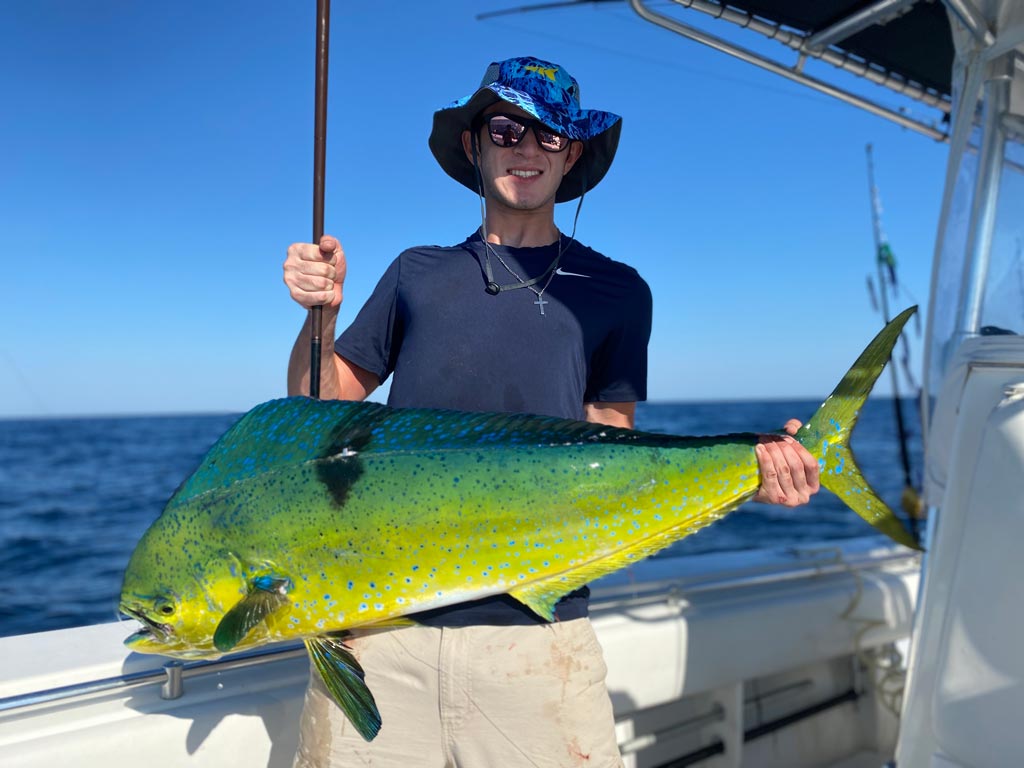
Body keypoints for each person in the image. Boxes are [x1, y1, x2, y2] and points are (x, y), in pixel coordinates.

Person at [282, 55, 819, 768]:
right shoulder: (417, 271)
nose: (527, 149)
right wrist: (322, 314)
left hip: (539, 639)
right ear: (474, 145)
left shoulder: (620, 291)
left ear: (574, 155)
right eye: (507, 129)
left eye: (550, 135)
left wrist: (747, 470)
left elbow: (612, 440)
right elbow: (317, 404)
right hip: (383, 635)